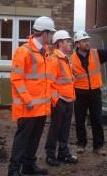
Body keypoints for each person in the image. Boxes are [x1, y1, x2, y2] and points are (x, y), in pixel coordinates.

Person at [8, 16, 59, 176]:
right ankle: (13, 171)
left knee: (35, 139)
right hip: (28, 106)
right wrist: (28, 100)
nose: (52, 37)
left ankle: (28, 166)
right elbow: (16, 78)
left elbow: (45, 80)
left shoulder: (44, 52)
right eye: (51, 33)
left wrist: (52, 99)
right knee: (22, 140)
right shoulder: (24, 51)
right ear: (44, 33)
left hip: (41, 107)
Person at [45, 30, 78, 166]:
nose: (70, 43)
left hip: (68, 100)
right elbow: (49, 83)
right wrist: (56, 100)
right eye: (67, 41)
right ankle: (50, 155)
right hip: (60, 101)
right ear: (59, 43)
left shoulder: (65, 59)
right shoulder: (54, 60)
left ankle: (63, 154)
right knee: (55, 128)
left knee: (65, 129)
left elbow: (68, 81)